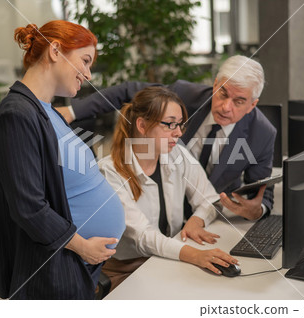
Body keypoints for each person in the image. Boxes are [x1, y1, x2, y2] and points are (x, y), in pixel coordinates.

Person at [0, 20, 125, 300]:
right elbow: (29, 208)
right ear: (55, 51)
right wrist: (83, 247)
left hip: (72, 267)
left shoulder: (46, 111)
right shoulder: (17, 115)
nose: (87, 74)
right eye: (84, 62)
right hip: (49, 273)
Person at [58, 55, 277, 221]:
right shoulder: (184, 96)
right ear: (215, 84)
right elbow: (127, 91)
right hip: (161, 208)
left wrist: (256, 209)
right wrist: (73, 112)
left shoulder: (263, 134)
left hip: (213, 216)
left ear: (252, 105)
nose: (226, 107)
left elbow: (262, 195)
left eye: (238, 101)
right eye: (222, 93)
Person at [97, 86, 239, 291]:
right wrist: (195, 255)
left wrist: (197, 220)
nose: (179, 133)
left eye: (180, 125)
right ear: (142, 125)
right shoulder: (109, 172)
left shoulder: (177, 154)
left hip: (167, 259)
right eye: (170, 124)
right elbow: (144, 237)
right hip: (127, 270)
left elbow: (209, 198)